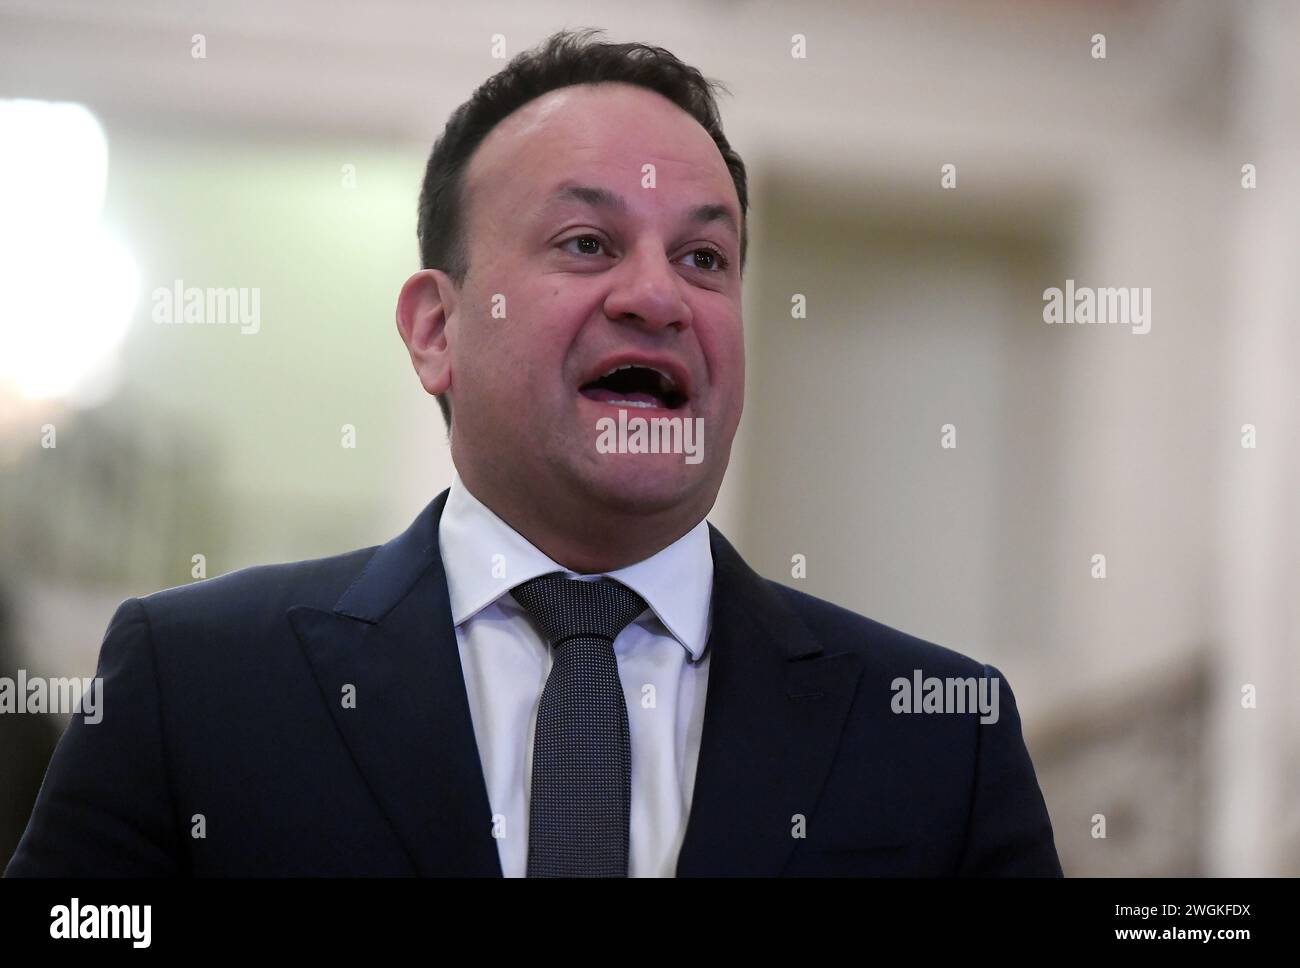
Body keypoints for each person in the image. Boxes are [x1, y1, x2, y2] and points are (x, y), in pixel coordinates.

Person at [6, 28, 1062, 878]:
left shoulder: (936, 729)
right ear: (435, 331)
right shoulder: (196, 682)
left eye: (705, 256)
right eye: (587, 243)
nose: (657, 296)